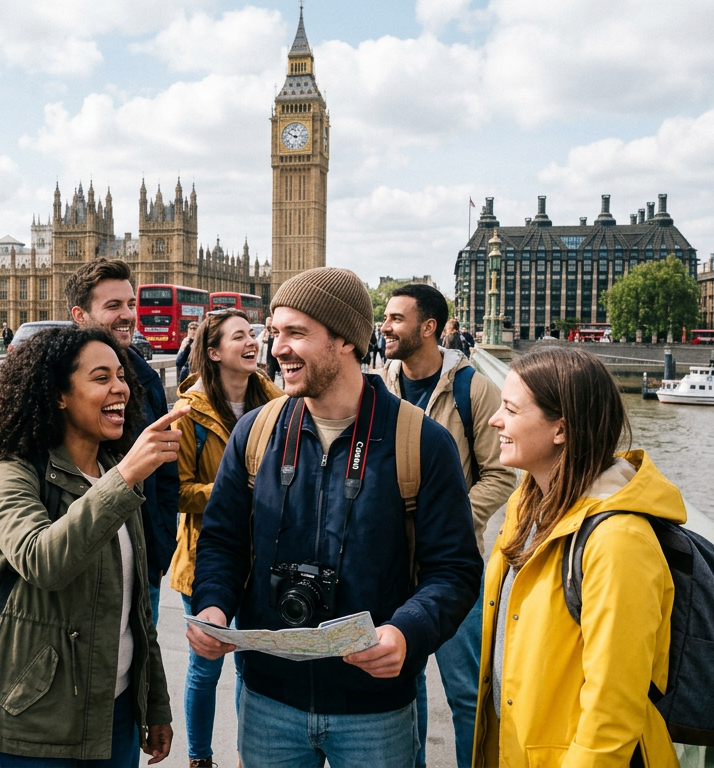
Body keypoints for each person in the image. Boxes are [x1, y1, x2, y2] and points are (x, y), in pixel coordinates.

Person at [188, 267, 482, 768]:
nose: (277, 348)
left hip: (375, 709)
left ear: (345, 339)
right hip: (268, 702)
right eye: (274, 332)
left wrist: (407, 632)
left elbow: (453, 571)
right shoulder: (256, 434)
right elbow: (221, 544)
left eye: (296, 333)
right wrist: (213, 606)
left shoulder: (422, 442)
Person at [0, 325, 179, 766]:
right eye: (101, 378)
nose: (119, 387)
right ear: (59, 394)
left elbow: (137, 611)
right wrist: (125, 480)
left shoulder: (111, 471)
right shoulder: (12, 471)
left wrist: (153, 702)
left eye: (121, 376)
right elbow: (42, 560)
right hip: (31, 718)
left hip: (113, 711)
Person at [475, 345, 682, 767]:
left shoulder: (618, 541)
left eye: (511, 410)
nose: (496, 420)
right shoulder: (528, 504)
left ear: (561, 430)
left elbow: (613, 707)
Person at [377, 282, 516, 768]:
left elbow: (501, 473)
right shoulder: (380, 382)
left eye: (396, 318)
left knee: (465, 694)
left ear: (429, 327)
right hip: (391, 565)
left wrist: (449, 522)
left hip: (451, 566)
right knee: (401, 691)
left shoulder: (473, 388)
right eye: (386, 318)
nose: (385, 326)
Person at [170, 309, 283, 768]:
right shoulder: (187, 415)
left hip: (264, 558)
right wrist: (232, 490)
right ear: (214, 353)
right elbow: (176, 491)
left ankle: (246, 754)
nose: (252, 341)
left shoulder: (278, 402)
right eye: (239, 336)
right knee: (206, 667)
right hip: (205, 558)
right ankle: (199, 757)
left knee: (249, 667)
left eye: (253, 334)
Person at [67, 258, 180, 625]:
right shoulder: (56, 383)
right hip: (83, 561)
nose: (128, 314)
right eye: (113, 306)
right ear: (80, 315)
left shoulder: (146, 378)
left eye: (130, 304)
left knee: (143, 668)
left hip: (144, 560)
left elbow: (165, 474)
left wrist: (162, 548)